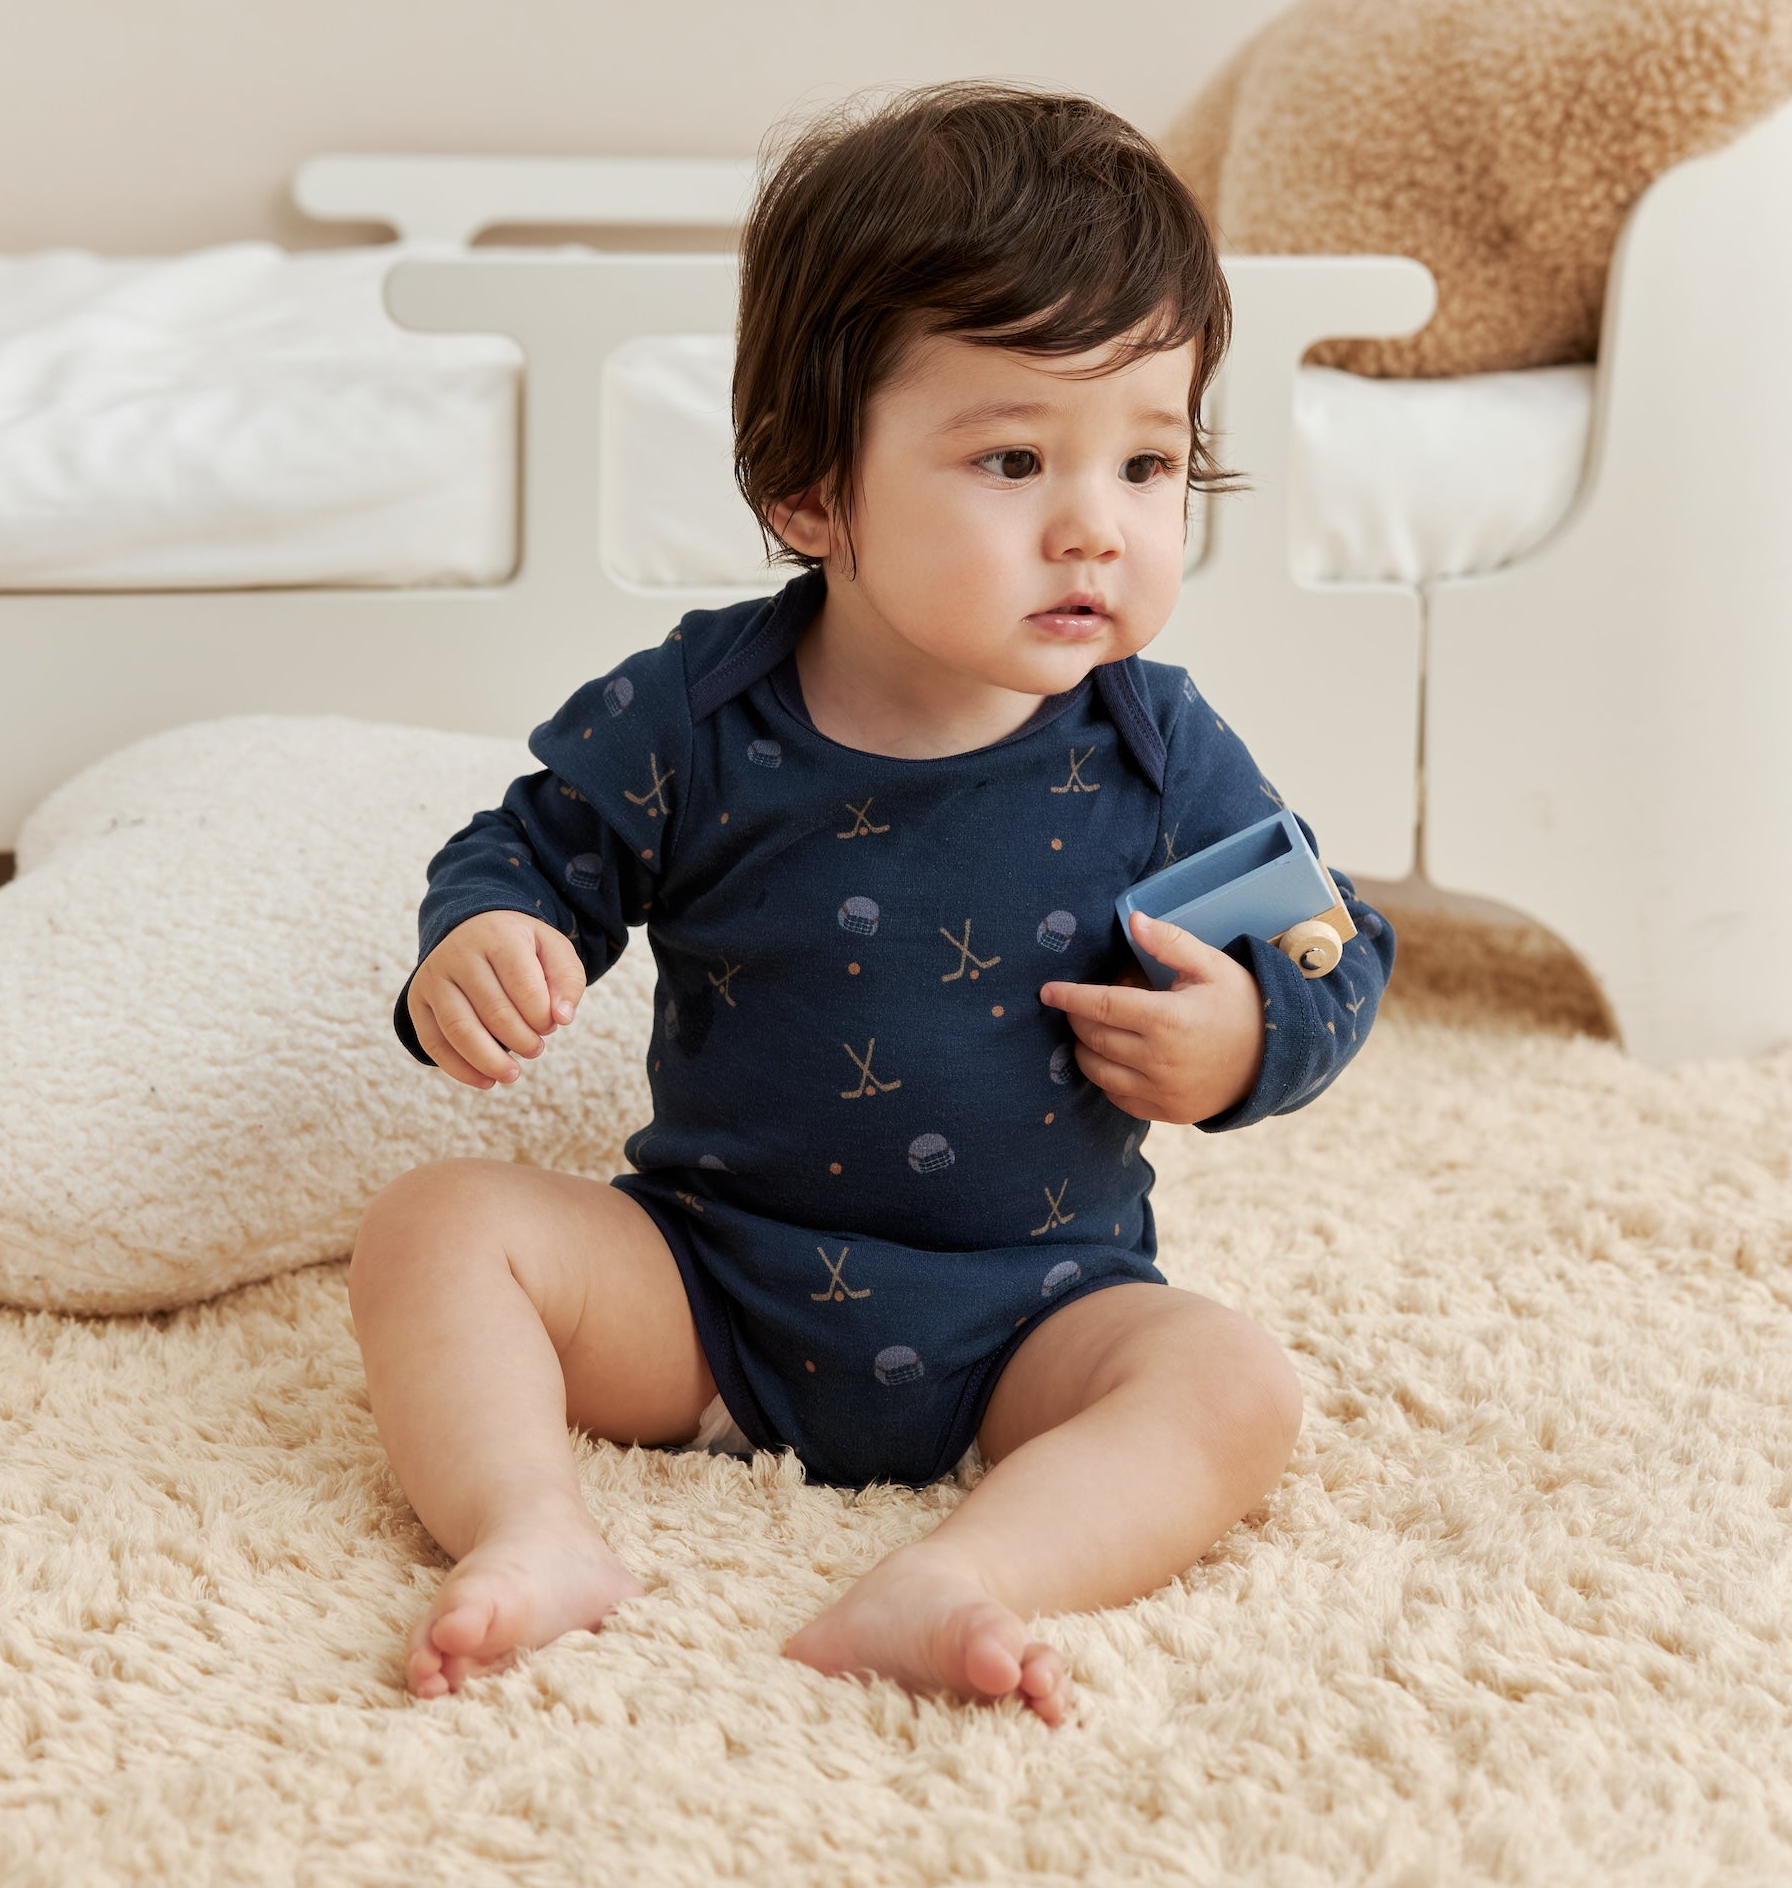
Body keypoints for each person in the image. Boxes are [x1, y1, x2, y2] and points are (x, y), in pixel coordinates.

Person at [350, 85, 1393, 1723]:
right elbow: (525, 852)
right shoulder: (696, 713)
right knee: (435, 1228)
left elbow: (1331, 947)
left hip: (1037, 1316)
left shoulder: (1155, 743)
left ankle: (963, 1574)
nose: (1093, 528)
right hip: (708, 1293)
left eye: (1146, 462)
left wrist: (1252, 1032)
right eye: (1011, 459)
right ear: (812, 494)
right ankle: (529, 1530)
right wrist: (481, 943)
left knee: (1233, 1383)